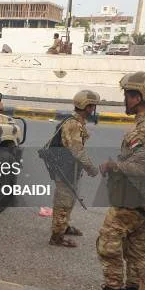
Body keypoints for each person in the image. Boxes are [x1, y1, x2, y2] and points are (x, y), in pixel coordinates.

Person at [83, 72, 145, 290]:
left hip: (130, 202)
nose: (124, 99)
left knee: (108, 244)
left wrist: (114, 166)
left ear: (138, 97)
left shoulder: (143, 130)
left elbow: (142, 167)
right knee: (138, 252)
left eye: (127, 95)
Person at [48, 90, 100, 248]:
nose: (93, 110)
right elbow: (78, 151)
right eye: (92, 106)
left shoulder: (75, 121)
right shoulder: (74, 124)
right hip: (65, 170)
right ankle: (56, 237)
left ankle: (64, 226)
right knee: (63, 201)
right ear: (87, 106)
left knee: (69, 199)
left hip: (70, 169)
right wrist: (92, 168)